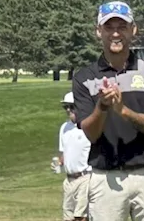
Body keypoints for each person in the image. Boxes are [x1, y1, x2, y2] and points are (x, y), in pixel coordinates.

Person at [74, 1, 144, 221]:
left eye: (122, 27)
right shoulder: (84, 78)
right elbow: (91, 133)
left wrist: (122, 110)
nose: (115, 33)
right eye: (109, 27)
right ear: (98, 31)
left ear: (133, 29)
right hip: (105, 176)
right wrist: (103, 107)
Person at [58, 92, 91, 221]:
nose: (68, 110)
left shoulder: (88, 126)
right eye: (65, 107)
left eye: (71, 106)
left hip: (85, 177)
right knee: (68, 216)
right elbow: (63, 153)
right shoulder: (64, 128)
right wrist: (59, 163)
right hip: (69, 180)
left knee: (81, 217)